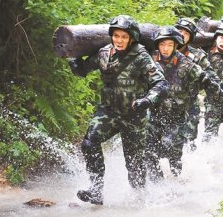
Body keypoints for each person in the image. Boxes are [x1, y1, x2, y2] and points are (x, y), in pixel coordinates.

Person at [68, 15, 168, 205]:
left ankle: (140, 199)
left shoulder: (141, 56)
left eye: (124, 37)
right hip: (109, 111)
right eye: (116, 36)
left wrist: (147, 100)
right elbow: (82, 70)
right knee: (89, 143)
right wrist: (73, 59)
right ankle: (96, 189)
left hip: (134, 115)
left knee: (134, 163)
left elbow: (161, 84)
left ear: (131, 38)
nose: (119, 40)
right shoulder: (104, 53)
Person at [145, 26, 223, 181]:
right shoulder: (149, 60)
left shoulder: (188, 65)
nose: (165, 49)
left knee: (170, 151)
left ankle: (178, 181)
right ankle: (158, 186)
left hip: (177, 118)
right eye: (162, 45)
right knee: (147, 151)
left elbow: (209, 82)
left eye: (169, 45)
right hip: (154, 115)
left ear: (175, 45)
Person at [174, 17, 223, 151]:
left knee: (188, 142)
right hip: (164, 104)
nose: (182, 35)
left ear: (191, 37)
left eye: (186, 33)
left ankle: (190, 169)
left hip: (189, 105)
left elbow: (212, 76)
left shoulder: (197, 56)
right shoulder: (161, 50)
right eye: (179, 31)